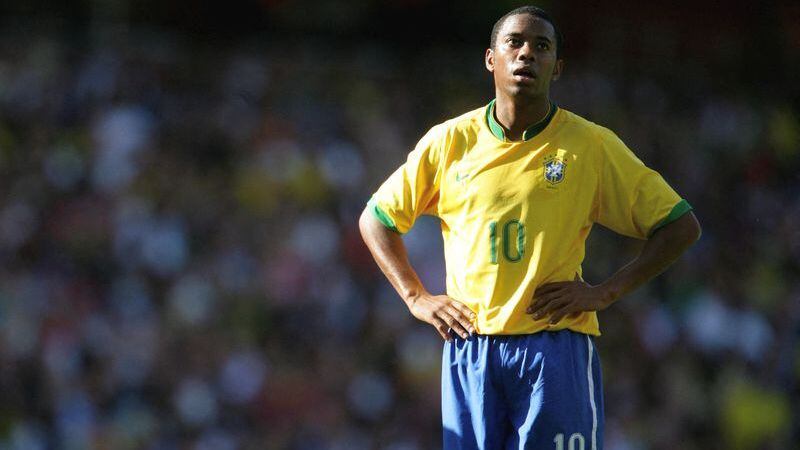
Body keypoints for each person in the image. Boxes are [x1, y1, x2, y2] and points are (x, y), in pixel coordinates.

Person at [359, 5, 701, 450]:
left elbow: (680, 225)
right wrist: (416, 297)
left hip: (555, 348)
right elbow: (377, 219)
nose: (527, 55)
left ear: (556, 68)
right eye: (515, 43)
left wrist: (605, 292)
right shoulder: (450, 142)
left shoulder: (591, 145)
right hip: (472, 348)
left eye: (541, 47)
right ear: (491, 58)